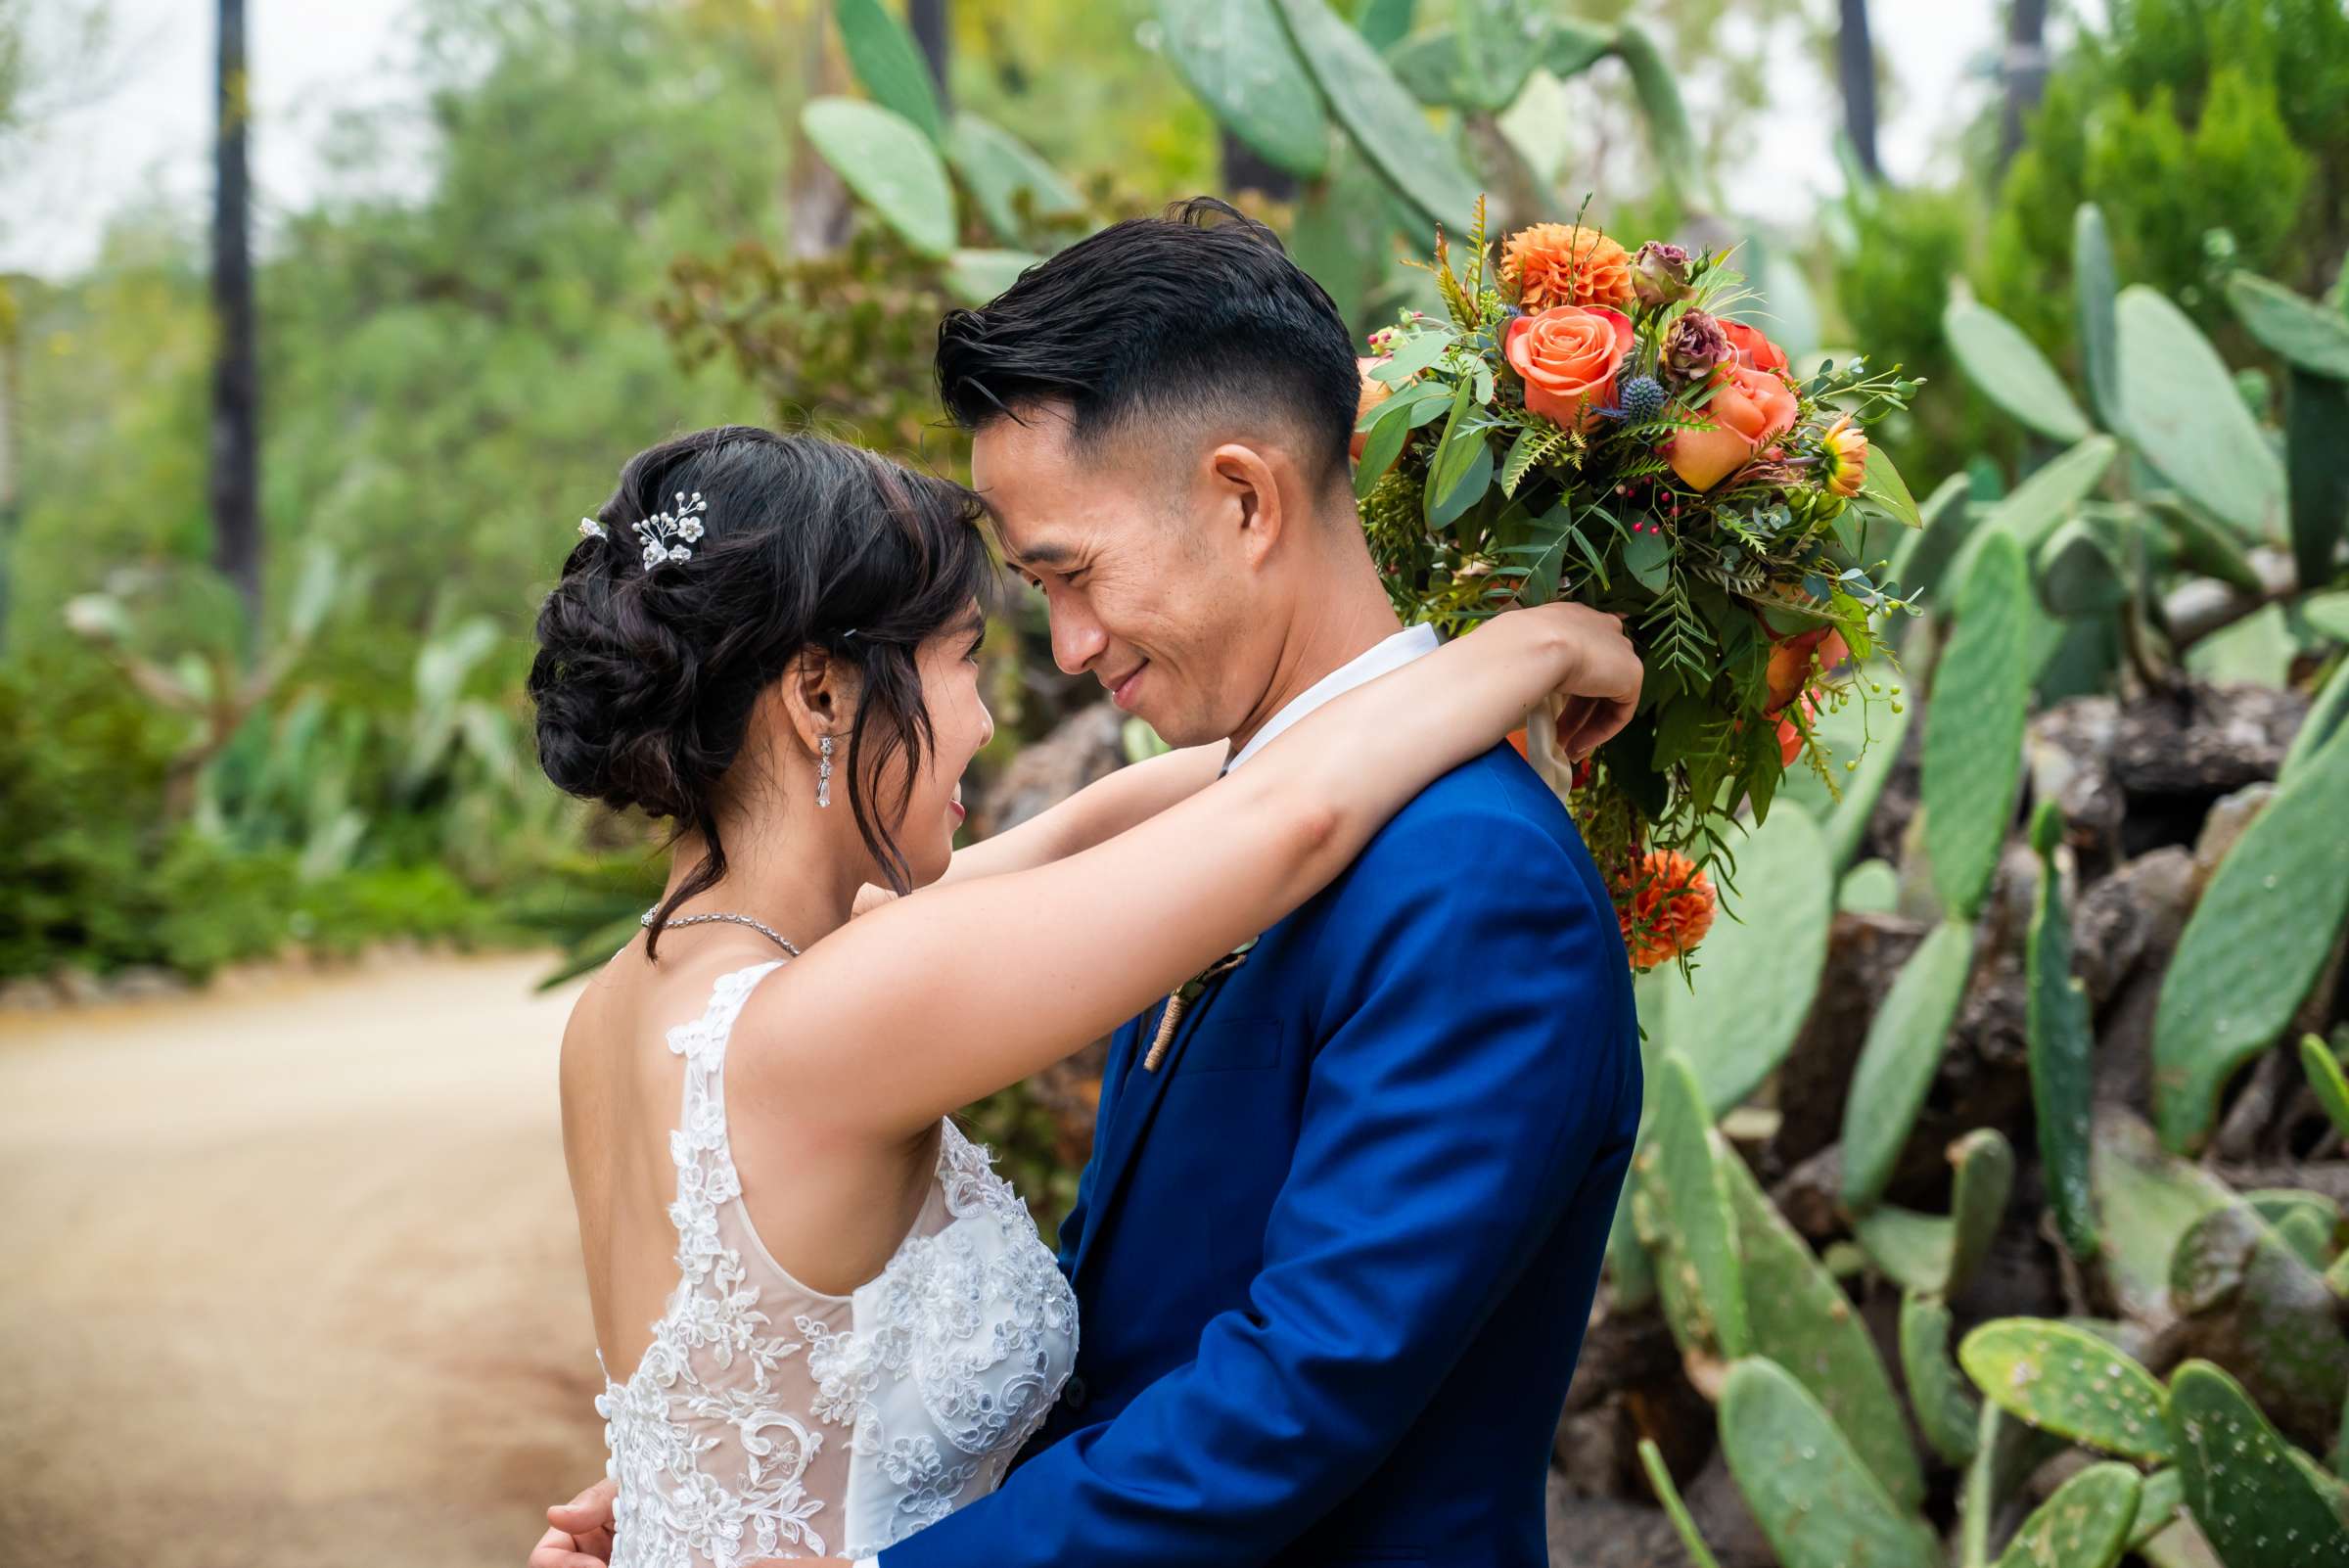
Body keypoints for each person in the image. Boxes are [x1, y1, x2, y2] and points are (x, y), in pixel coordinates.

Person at [528, 394, 1641, 1565]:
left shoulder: (638, 995)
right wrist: (1535, 647)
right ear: (820, 695)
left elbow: (1112, 817)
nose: (987, 720)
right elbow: (1291, 817)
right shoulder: (845, 1006)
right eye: (962, 664)